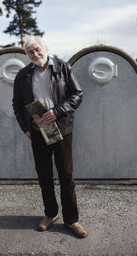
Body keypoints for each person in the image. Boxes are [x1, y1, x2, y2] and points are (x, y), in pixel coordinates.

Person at [12, 36, 87, 238]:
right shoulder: (23, 75)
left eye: (37, 49)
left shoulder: (63, 68)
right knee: (44, 176)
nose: (35, 54)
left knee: (66, 176)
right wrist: (25, 128)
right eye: (30, 52)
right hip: (38, 131)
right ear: (27, 54)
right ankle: (50, 214)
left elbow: (77, 94)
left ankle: (71, 220)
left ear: (45, 48)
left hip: (61, 129)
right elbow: (17, 105)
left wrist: (58, 110)